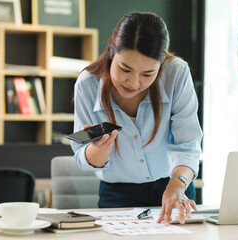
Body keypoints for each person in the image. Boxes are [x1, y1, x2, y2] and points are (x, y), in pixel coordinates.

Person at [71, 11, 203, 225]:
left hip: (174, 185)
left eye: (148, 74)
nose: (133, 83)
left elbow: (188, 146)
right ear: (111, 54)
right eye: (125, 69)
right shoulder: (87, 84)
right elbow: (80, 156)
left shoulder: (176, 74)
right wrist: (98, 151)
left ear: (160, 66)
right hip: (117, 194)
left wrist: (178, 185)